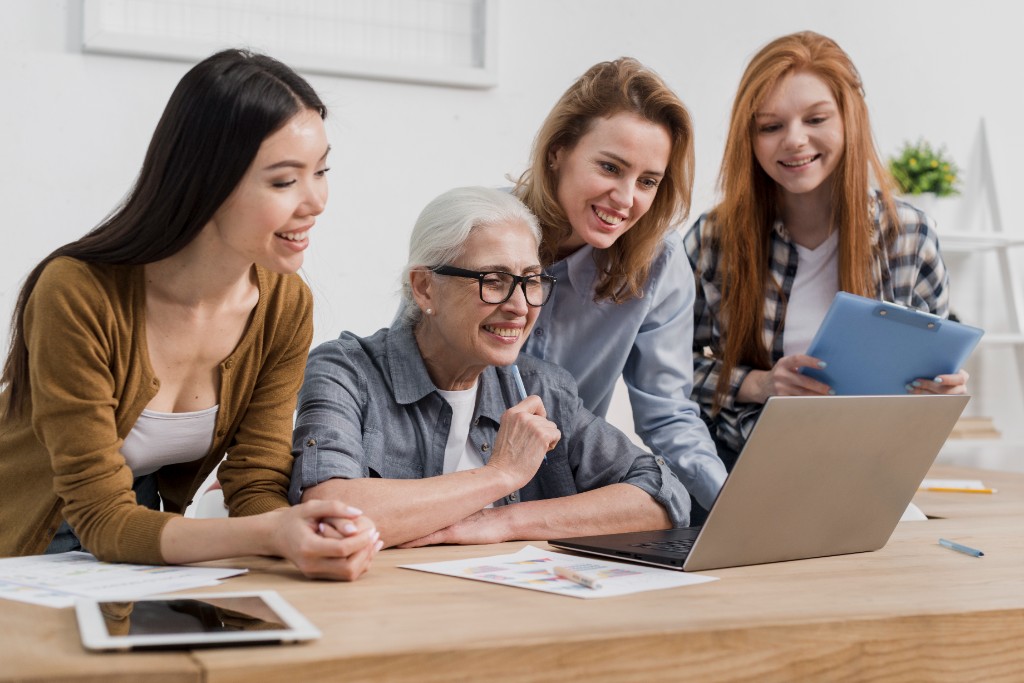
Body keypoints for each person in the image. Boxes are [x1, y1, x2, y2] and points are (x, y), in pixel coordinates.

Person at [0, 49, 379, 581]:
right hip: (24, 551)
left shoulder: (285, 305)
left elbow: (254, 480)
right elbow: (99, 516)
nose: (315, 200)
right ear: (208, 182)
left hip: (135, 553)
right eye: (284, 181)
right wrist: (273, 534)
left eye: (322, 171)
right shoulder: (77, 292)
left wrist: (311, 535)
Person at [290, 187, 691, 547]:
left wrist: (505, 520)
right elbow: (328, 512)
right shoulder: (345, 371)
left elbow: (662, 495)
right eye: (494, 280)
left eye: (531, 281)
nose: (519, 306)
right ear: (424, 287)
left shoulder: (543, 388)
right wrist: (499, 475)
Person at [684, 31, 968, 470]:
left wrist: (946, 392)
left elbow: (935, 371)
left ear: (849, 120)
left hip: (870, 469)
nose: (795, 140)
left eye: (815, 120)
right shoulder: (713, 238)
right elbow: (666, 378)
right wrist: (760, 385)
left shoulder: (907, 234)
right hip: (743, 467)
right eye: (771, 126)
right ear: (750, 137)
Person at [512, 58, 726, 519]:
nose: (627, 199)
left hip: (562, 498)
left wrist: (736, 507)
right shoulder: (480, 230)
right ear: (558, 151)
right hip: (458, 477)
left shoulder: (659, 265)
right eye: (610, 168)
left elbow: (668, 415)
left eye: (647, 181)